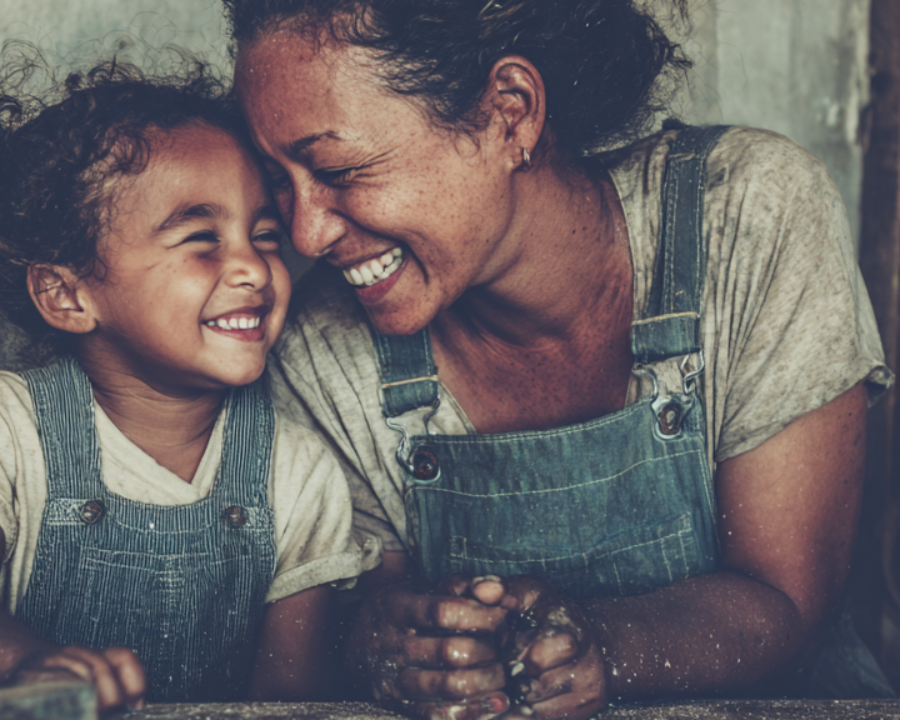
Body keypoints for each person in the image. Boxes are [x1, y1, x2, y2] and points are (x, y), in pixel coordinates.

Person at [222, 0, 896, 717]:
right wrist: (387, 645)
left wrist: (600, 646)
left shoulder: (748, 215)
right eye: (278, 180)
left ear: (509, 114)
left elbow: (790, 604)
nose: (305, 233)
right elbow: (361, 622)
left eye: (339, 169)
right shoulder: (317, 343)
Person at [0, 56, 366, 711]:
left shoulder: (299, 472)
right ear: (67, 296)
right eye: (201, 239)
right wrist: (22, 664)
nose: (253, 268)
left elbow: (289, 698)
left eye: (264, 236)